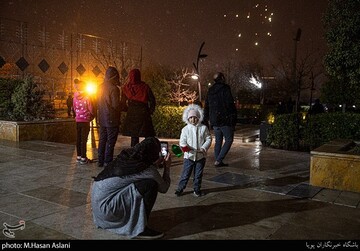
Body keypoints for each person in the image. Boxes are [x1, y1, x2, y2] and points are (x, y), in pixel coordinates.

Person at [91, 137, 171, 240]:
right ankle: (141, 229)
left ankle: (123, 221)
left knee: (138, 182)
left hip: (98, 212)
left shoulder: (126, 157)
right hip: (108, 212)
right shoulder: (148, 170)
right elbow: (164, 188)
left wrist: (154, 164)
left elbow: (137, 173)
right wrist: (167, 167)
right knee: (150, 184)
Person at [175, 104, 212, 197]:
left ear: (198, 117)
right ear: (188, 118)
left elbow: (208, 138)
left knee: (198, 174)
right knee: (185, 174)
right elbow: (182, 141)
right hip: (189, 156)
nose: (193, 119)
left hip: (200, 156)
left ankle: (197, 189)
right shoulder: (185, 129)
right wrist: (185, 148)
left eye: (195, 117)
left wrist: (204, 148)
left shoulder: (203, 128)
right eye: (190, 118)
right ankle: (180, 188)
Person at [203, 72, 237, 167]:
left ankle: (218, 160)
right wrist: (233, 118)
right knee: (229, 139)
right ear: (222, 78)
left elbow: (207, 105)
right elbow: (230, 104)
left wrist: (207, 118)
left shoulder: (211, 90)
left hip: (214, 120)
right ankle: (218, 160)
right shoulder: (225, 89)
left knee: (218, 141)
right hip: (225, 119)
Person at [121, 68, 156, 147]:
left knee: (134, 137)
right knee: (148, 135)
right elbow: (152, 100)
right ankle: (148, 153)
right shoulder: (145, 87)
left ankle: (134, 154)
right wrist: (150, 111)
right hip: (144, 114)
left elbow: (122, 103)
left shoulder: (126, 88)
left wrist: (128, 109)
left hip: (132, 114)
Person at [97, 66, 122, 167]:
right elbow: (115, 105)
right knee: (111, 141)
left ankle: (100, 160)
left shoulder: (100, 86)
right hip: (111, 118)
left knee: (102, 139)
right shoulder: (114, 89)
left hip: (102, 118)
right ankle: (108, 161)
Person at [73, 80, 95, 164]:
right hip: (85, 120)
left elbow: (74, 108)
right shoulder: (87, 97)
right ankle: (83, 157)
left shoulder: (74, 97)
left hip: (78, 120)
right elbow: (91, 109)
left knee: (78, 138)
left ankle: (78, 156)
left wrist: (78, 114)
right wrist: (91, 115)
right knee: (84, 139)